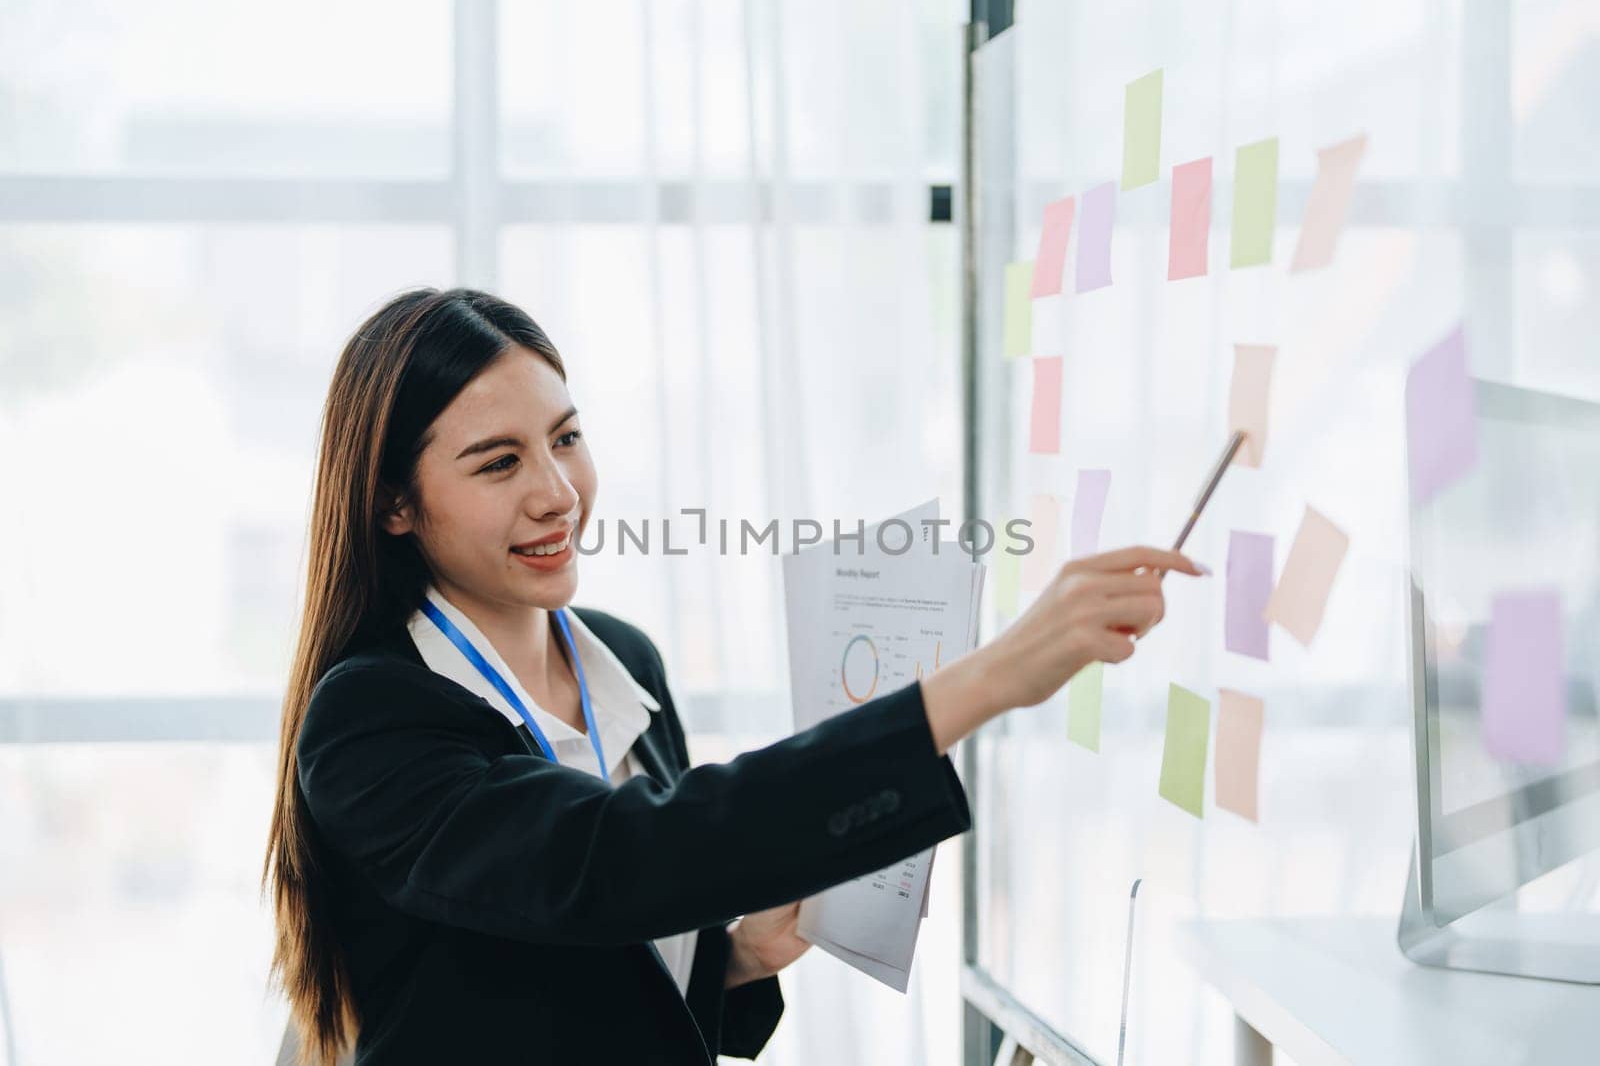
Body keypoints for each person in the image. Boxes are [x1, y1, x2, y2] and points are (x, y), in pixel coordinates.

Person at [263, 287, 1203, 1065]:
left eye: (566, 437)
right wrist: (993, 677)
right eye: (499, 462)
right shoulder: (370, 716)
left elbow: (592, 966)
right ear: (393, 502)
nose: (556, 490)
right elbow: (617, 863)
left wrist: (732, 958)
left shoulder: (623, 662)